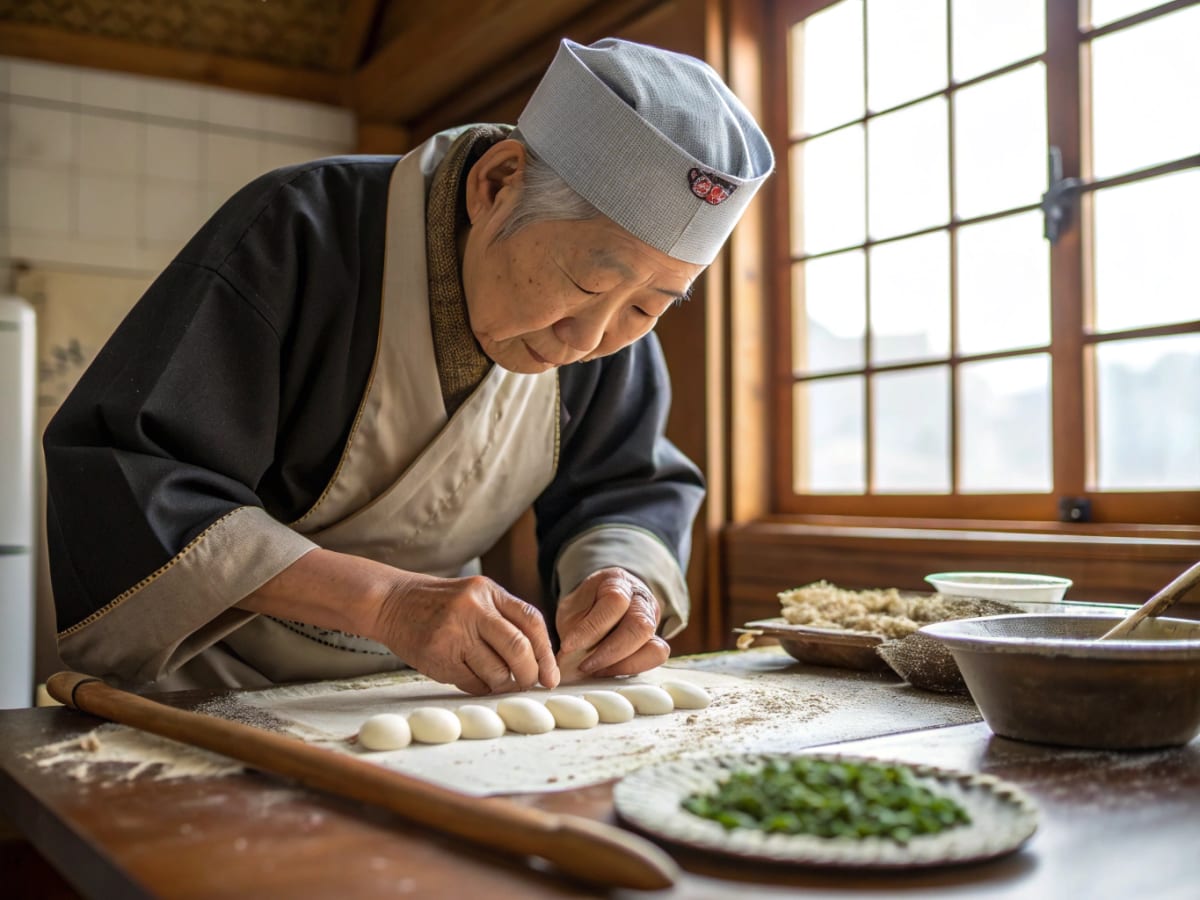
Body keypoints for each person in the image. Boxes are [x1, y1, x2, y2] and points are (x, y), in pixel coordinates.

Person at [43, 37, 774, 693]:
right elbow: (132, 476)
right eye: (587, 284)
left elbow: (624, 484)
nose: (591, 339)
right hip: (211, 680)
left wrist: (621, 586)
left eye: (650, 308)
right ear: (497, 184)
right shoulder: (294, 231)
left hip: (428, 684)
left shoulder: (608, 325)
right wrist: (387, 603)